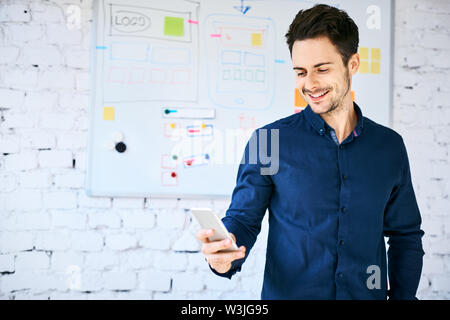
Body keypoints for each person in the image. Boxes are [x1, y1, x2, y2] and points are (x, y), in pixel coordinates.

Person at [196, 4, 424, 300]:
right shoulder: (269, 139)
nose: (310, 84)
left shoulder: (390, 146)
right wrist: (224, 254)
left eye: (322, 69)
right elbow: (243, 218)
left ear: (352, 64)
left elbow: (406, 236)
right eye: (301, 72)